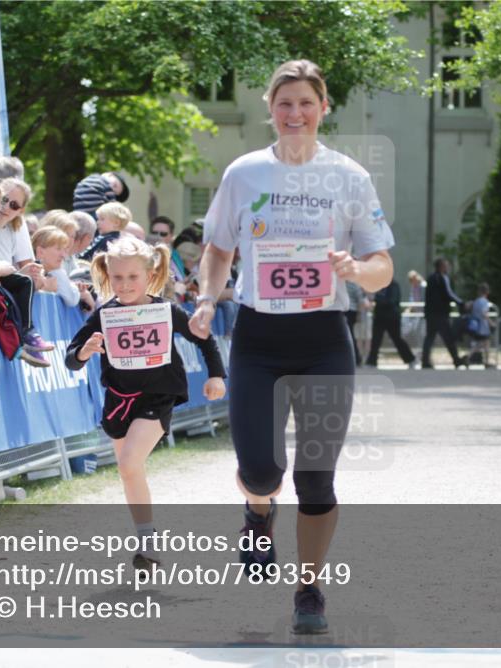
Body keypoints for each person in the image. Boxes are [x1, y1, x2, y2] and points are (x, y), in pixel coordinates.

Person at [188, 59, 394, 635]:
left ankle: (309, 589)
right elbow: (217, 247)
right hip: (258, 336)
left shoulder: (350, 177)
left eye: (306, 103)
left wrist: (356, 268)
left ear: (323, 108)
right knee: (260, 470)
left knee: (317, 476)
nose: (295, 114)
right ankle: (257, 512)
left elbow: (383, 267)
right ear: (270, 110)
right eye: (285, 104)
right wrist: (208, 298)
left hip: (324, 338)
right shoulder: (244, 173)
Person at [66, 237, 225, 568]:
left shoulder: (165, 310)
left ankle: (148, 545)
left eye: (132, 277)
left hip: (157, 396)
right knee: (130, 473)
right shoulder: (105, 314)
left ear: (150, 275)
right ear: (107, 276)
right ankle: (146, 540)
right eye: (117, 278)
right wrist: (85, 350)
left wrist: (216, 376)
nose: (124, 285)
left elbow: (204, 339)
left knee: (127, 463)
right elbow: (72, 358)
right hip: (118, 399)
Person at [0, 177, 54, 367]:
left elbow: (34, 275)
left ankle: (26, 336)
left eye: (13, 205)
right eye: (2, 200)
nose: (5, 207)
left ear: (21, 211)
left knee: (25, 282)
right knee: (19, 285)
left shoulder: (16, 228)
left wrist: (29, 272)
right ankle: (23, 339)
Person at [32, 226, 94, 310]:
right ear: (40, 252)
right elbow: (72, 299)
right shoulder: (33, 275)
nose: (63, 255)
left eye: (64, 250)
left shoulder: (52, 273)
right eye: (58, 249)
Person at [422, 257, 466, 369]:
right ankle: (456, 360)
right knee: (448, 337)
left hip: (431, 313)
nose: (447, 267)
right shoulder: (442, 278)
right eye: (446, 265)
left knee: (430, 337)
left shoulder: (431, 278)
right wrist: (460, 303)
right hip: (440, 313)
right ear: (441, 266)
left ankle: (425, 361)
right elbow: (449, 293)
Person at [364, 278, 416, 368]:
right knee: (376, 340)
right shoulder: (379, 285)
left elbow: (391, 301)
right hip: (380, 317)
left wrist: (377, 299)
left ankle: (410, 359)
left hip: (392, 318)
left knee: (397, 339)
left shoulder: (394, 285)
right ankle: (371, 362)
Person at [465, 282, 496, 367]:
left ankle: (468, 357)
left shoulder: (476, 301)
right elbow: (484, 313)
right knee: (485, 343)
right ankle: (486, 362)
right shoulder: (484, 301)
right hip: (483, 327)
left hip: (476, 326)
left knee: (480, 344)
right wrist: (491, 323)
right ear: (487, 292)